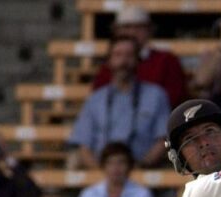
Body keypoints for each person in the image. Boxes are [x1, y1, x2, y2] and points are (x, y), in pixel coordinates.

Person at [68, 35, 171, 170]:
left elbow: (163, 140)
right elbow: (83, 145)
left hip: (143, 171)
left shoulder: (156, 95)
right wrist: (101, 175)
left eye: (129, 55)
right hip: (101, 173)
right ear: (109, 61)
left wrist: (141, 167)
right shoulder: (95, 99)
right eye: (118, 55)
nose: (123, 61)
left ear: (138, 60)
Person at [92, 6, 188, 108]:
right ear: (116, 31)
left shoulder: (167, 61)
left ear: (149, 30)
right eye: (126, 27)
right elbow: (99, 101)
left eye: (139, 27)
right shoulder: (110, 65)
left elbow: (174, 99)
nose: (132, 32)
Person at [75, 141, 155, 197]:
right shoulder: (88, 195)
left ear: (129, 166)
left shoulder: (142, 195)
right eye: (110, 163)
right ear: (103, 166)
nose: (116, 168)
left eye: (121, 162)